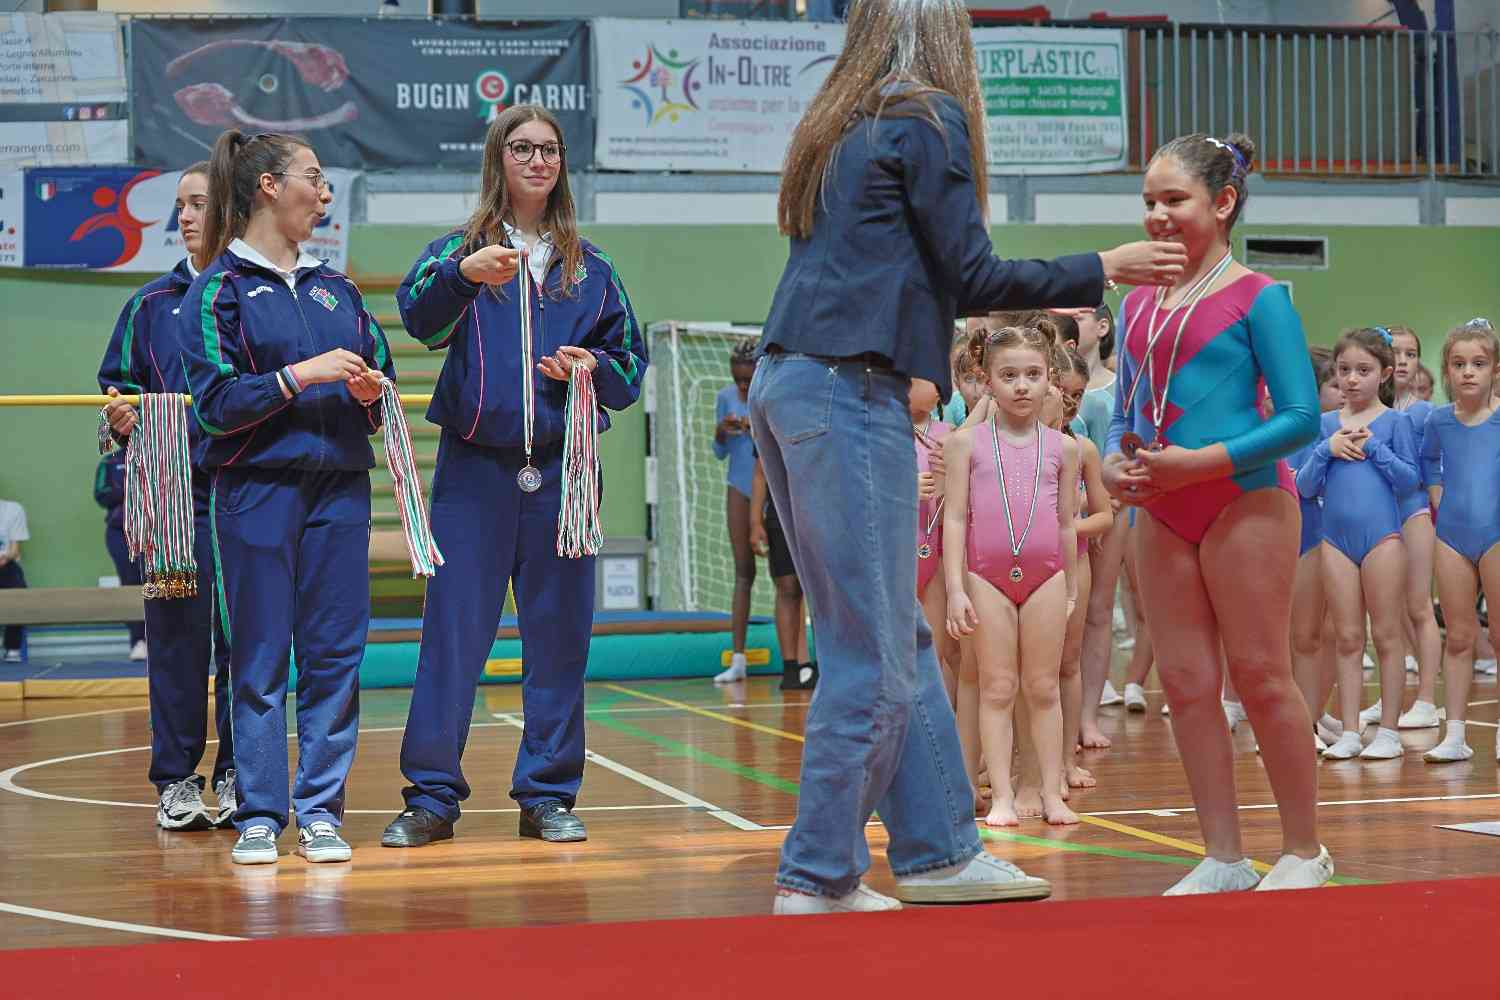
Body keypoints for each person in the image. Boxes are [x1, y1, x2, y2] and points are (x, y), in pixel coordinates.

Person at [751, 0, 1184, 914]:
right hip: (844, 387)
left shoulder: (842, 123)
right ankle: (817, 873)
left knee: (895, 643)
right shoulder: (926, 115)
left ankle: (940, 851)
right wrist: (1100, 266)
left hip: (793, 382)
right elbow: (975, 276)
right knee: (872, 656)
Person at [381, 104, 646, 850]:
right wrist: (464, 276)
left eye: (550, 149)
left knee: (559, 641)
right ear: (498, 158)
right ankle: (432, 798)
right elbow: (418, 320)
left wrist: (592, 366)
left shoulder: (592, 269)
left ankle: (548, 794)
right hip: (473, 474)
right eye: (523, 148)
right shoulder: (457, 252)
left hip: (565, 474)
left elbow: (630, 365)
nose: (538, 161)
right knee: (452, 638)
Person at [1104, 132, 1333, 893]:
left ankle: (1304, 849)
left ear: (1224, 202)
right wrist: (1112, 460)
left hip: (1246, 498)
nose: (1158, 216)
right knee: (1184, 681)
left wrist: (1200, 465)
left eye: (1175, 200)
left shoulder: (1260, 297)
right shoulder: (1138, 303)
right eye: (1149, 202)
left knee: (1261, 674)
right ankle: (1224, 856)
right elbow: (1126, 409)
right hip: (1162, 508)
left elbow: (1301, 418)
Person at [180, 129, 395, 865]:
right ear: (269, 187)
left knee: (335, 657)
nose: (325, 193)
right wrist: (300, 375)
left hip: (342, 492)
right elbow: (214, 406)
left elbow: (380, 378)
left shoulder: (340, 290)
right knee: (260, 656)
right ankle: (262, 814)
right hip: (255, 492)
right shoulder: (218, 291)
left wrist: (370, 392)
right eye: (314, 177)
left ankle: (322, 811)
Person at [98, 161, 237, 831]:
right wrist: (122, 417)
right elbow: (114, 392)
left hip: (246, 495)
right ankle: (176, 781)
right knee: (177, 641)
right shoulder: (148, 305)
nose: (184, 217)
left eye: (199, 204)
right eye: (180, 205)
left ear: (231, 210)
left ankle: (241, 773)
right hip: (172, 502)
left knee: (249, 642)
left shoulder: (251, 295)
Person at [1297, 328, 1418, 761]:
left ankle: (1389, 731)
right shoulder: (1325, 425)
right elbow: (1305, 487)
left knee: (1385, 635)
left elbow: (1409, 481)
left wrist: (1376, 448)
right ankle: (1349, 730)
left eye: (1363, 370)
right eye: (1344, 370)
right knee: (1347, 637)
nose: (1351, 379)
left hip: (1383, 539)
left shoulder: (1396, 422)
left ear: (1384, 373)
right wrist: (1326, 450)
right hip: (1334, 542)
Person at [1420, 319, 1500, 762]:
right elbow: (1429, 461)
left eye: (1479, 363)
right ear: (1447, 371)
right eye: (1458, 364)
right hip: (1451, 535)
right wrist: (1437, 496)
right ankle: (1454, 733)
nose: (1468, 372)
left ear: (1495, 370)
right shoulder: (1438, 420)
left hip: (1496, 534)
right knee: (1458, 636)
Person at [1383, 324, 1441, 729]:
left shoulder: (1424, 413)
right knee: (1389, 611)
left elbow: (1432, 469)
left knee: (1419, 606)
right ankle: (1392, 698)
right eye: (1396, 353)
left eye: (1411, 354)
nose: (1403, 361)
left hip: (1414, 511)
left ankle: (1427, 698)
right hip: (1379, 515)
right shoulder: (1375, 410)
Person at [1286, 347, 1341, 751]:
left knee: (1330, 633)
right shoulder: (1297, 427)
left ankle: (1313, 713)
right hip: (1294, 534)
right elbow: (1299, 483)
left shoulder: (1337, 427)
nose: (1345, 388)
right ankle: (1295, 723)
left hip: (1328, 534)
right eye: (1335, 383)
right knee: (1300, 635)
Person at [713, 339, 760, 685]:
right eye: (737, 380)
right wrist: (721, 431)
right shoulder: (725, 397)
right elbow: (719, 452)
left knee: (789, 579)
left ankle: (800, 660)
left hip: (770, 489)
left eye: (748, 379)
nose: (742, 386)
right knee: (743, 572)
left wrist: (752, 428)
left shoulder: (768, 396)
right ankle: (738, 659)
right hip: (738, 487)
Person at [749, 453, 815, 690]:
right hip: (781, 516)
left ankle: (823, 664)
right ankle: (790, 668)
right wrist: (755, 522)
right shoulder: (772, 430)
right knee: (788, 587)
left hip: (818, 513)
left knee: (821, 591)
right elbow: (760, 473)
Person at [911, 378, 955, 700]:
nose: (939, 386)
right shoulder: (883, 434)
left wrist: (949, 480)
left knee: (933, 660)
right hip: (895, 558)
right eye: (929, 378)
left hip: (935, 556)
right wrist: (903, 488)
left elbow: (961, 503)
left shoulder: (948, 434)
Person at [93, 450, 147, 661]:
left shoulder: (156, 455)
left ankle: (161, 640)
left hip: (153, 530)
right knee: (131, 582)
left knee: (157, 584)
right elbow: (100, 494)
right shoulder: (110, 461)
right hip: (120, 532)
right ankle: (138, 641)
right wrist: (125, 488)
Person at [0, 496, 28, 663]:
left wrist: (5, 557)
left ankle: (12, 648)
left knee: (18, 591)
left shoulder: (13, 509)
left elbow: (15, 550)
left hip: (5, 564)